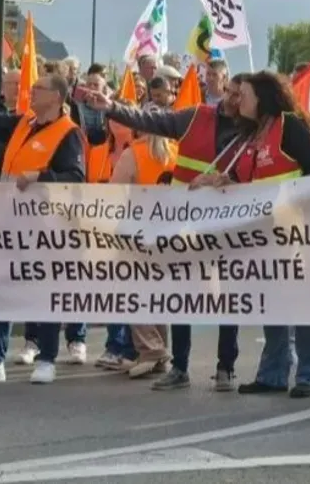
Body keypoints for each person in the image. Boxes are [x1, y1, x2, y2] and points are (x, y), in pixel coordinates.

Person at [83, 75, 246, 391]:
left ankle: (226, 366)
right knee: (182, 295)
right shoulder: (196, 116)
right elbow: (151, 120)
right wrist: (112, 108)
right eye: (231, 93)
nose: (233, 100)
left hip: (228, 222)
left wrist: (228, 183)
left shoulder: (252, 130)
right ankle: (180, 367)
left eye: (241, 96)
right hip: (185, 221)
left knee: (228, 295)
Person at [0, 72, 86, 386]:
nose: (32, 92)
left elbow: (75, 177)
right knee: (2, 289)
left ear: (57, 97)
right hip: (10, 224)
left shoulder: (68, 133)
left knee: (45, 292)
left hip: (46, 229)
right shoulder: (24, 123)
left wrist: (40, 177)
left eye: (39, 88)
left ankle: (47, 359)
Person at [202, 71, 310, 399]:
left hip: (294, 232)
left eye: (244, 94)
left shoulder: (290, 126)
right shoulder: (248, 136)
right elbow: (249, 187)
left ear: (263, 98)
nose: (238, 99)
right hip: (261, 238)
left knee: (301, 305)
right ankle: (273, 373)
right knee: (273, 305)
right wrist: (224, 186)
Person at [106, 124, 176, 377]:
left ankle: (151, 349)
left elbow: (114, 192)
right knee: (159, 292)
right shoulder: (175, 151)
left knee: (132, 289)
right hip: (168, 232)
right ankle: (160, 351)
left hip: (136, 230)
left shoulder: (133, 153)